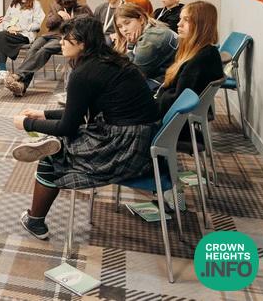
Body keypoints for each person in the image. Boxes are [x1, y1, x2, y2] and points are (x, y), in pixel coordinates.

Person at [10, 17, 159, 240]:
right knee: (59, 145)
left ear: (82, 43)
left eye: (66, 38)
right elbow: (81, 114)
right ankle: (55, 145)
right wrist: (43, 114)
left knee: (52, 157)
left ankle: (35, 221)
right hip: (143, 136)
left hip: (124, 146)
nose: (61, 42)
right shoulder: (112, 61)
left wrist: (26, 124)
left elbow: (69, 126)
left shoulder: (83, 73)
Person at [3, 0, 91, 97]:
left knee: (45, 49)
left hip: (65, 37)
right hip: (49, 35)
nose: (65, 4)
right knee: (33, 49)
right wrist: (58, 15)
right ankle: (22, 85)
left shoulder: (82, 8)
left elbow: (90, 24)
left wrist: (72, 20)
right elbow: (48, 24)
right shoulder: (55, 6)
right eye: (62, 2)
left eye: (67, 3)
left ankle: (19, 76)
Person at [156, 1, 224, 118]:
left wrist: (156, 98)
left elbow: (179, 100)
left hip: (171, 120)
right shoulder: (198, 51)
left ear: (201, 24)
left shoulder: (202, 59)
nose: (179, 24)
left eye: (186, 20)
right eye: (180, 19)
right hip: (170, 113)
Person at [113, 2, 178, 90]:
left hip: (170, 84)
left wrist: (130, 47)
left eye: (127, 23)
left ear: (141, 20)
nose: (124, 29)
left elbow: (133, 75)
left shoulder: (151, 39)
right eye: (120, 26)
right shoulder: (153, 29)